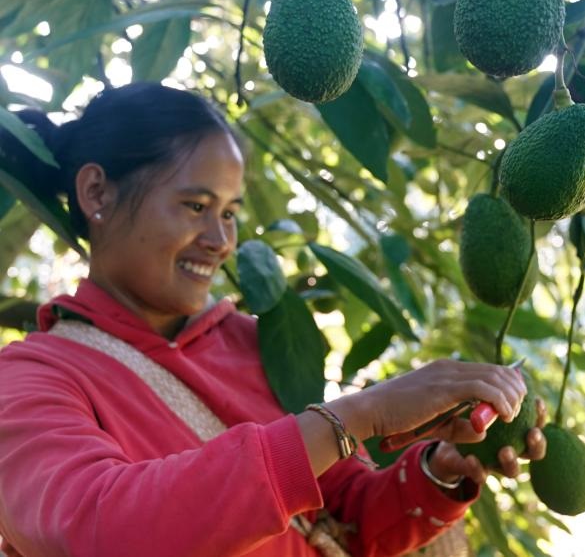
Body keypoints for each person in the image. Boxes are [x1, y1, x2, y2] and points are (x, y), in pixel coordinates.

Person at [0, 82, 546, 557]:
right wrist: (358, 415)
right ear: (96, 192)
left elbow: (345, 522)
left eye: (230, 213)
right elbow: (98, 532)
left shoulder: (251, 342)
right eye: (196, 206)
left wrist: (439, 471)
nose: (220, 241)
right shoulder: (30, 378)